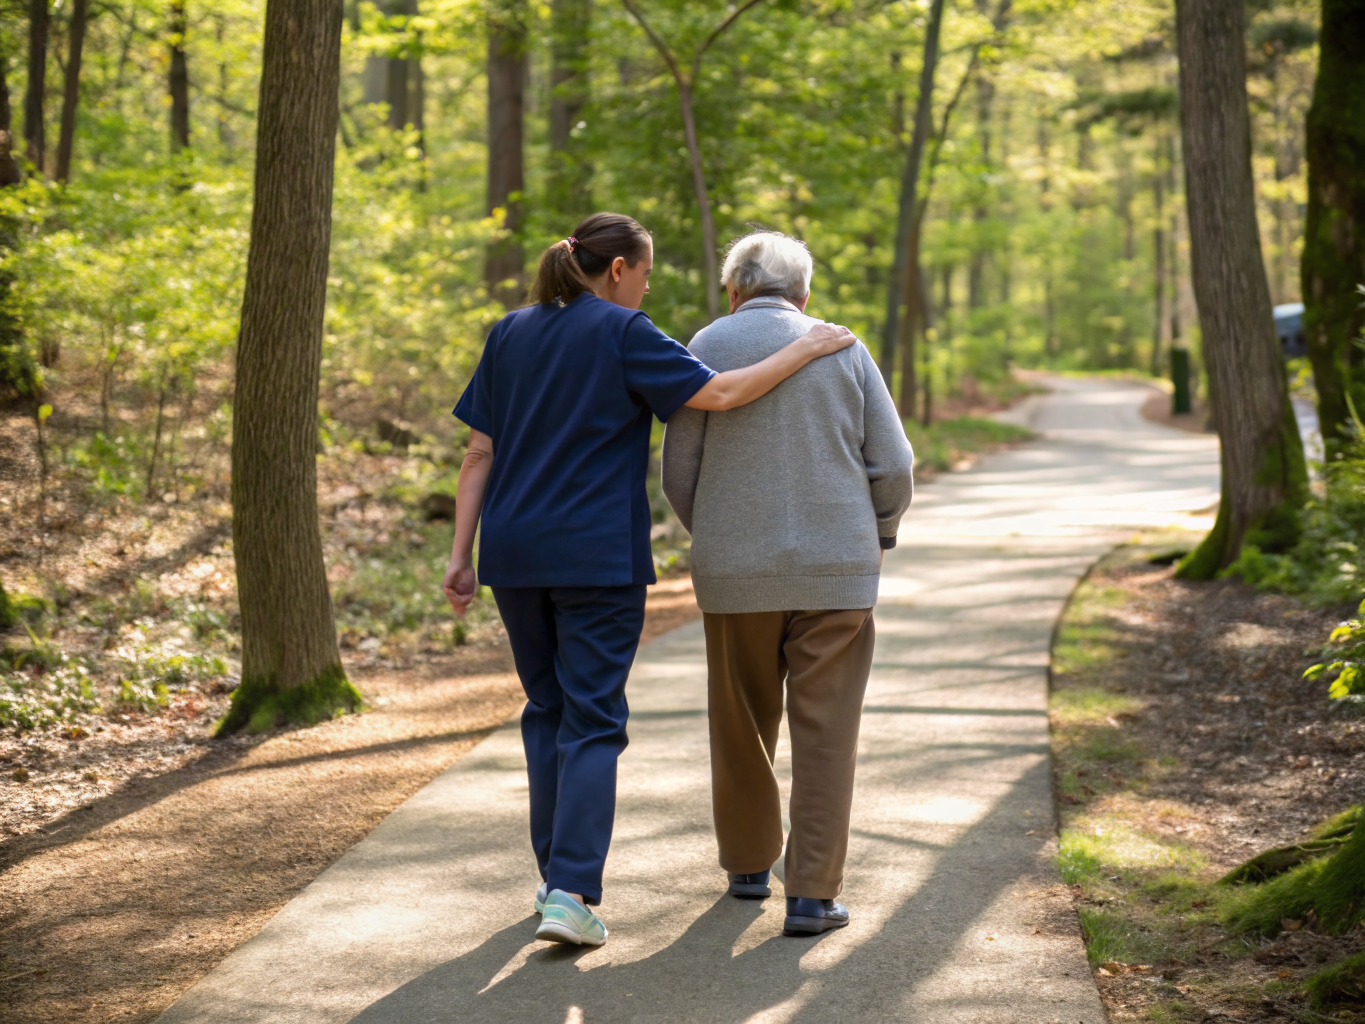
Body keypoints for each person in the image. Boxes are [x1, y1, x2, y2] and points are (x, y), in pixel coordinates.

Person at [442, 213, 857, 948]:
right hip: (593, 557)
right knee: (594, 719)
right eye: (645, 272)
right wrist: (811, 345)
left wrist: (459, 554)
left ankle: (552, 882)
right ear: (617, 270)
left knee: (547, 711)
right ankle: (571, 890)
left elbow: (479, 453)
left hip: (512, 553)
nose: (645, 285)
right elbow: (723, 396)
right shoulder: (624, 333)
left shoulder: (509, 331)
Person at [662, 230, 914, 937]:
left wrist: (716, 534)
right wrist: (881, 529)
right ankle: (810, 896)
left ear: (733, 290)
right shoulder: (841, 346)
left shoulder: (702, 347)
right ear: (803, 294)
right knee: (828, 732)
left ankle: (747, 868)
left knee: (739, 719)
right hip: (837, 568)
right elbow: (892, 463)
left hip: (733, 568)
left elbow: (678, 471)